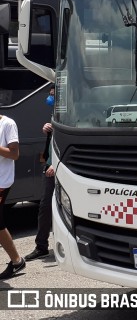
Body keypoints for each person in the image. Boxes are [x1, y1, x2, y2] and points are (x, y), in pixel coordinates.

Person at [25, 86, 55, 261]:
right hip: (50, 169)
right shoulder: (53, 116)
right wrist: (46, 129)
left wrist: (57, 165)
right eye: (49, 94)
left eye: (52, 95)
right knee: (44, 207)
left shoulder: (71, 115)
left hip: (62, 169)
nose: (49, 98)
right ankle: (41, 246)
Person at [0, 113, 25, 279]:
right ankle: (17, 261)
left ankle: (17, 260)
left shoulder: (8, 124)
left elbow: (14, 154)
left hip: (1, 182)